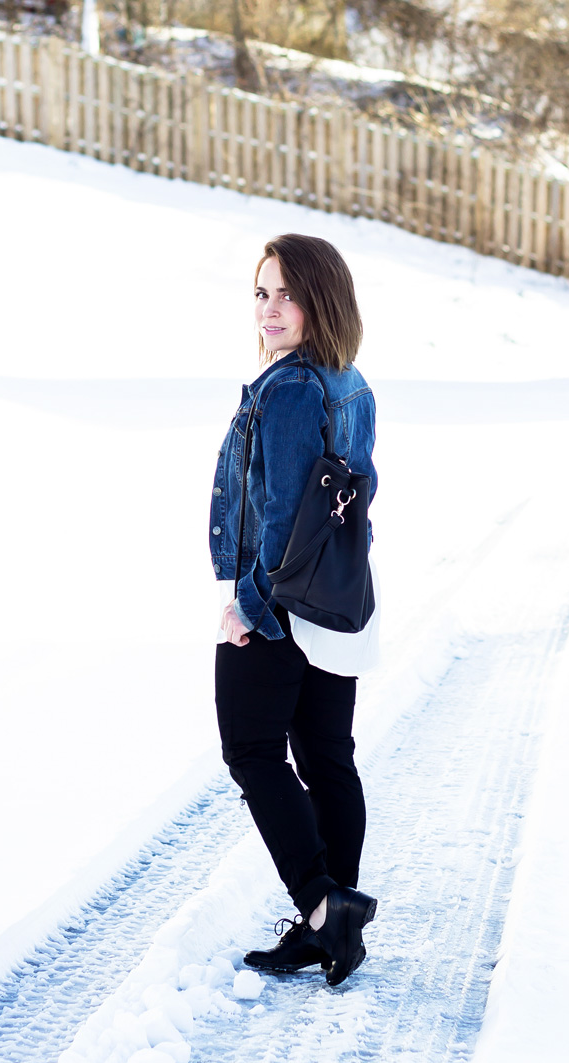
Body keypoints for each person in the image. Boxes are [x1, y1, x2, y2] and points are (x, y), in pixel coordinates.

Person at [209, 233, 379, 987]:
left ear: (321, 299)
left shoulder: (288, 390)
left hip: (278, 601)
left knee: (252, 752)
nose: (270, 309)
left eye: (288, 294)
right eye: (262, 292)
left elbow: (280, 517)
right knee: (326, 756)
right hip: (337, 598)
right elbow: (357, 496)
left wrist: (247, 606)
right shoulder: (350, 382)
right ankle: (333, 924)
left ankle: (320, 905)